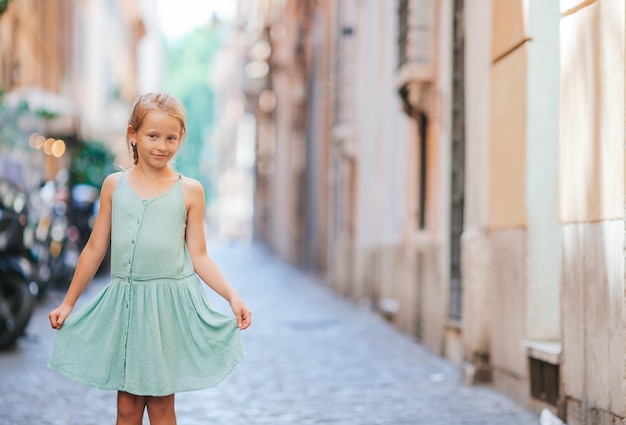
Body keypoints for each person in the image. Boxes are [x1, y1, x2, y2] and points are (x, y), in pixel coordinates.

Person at [48, 92, 251, 425]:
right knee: (126, 407)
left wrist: (232, 296)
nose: (162, 145)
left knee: (160, 406)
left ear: (181, 138)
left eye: (171, 137)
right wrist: (68, 304)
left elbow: (199, 256)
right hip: (127, 305)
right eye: (152, 136)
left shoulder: (190, 191)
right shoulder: (114, 186)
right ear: (133, 134)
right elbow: (95, 248)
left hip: (165, 310)